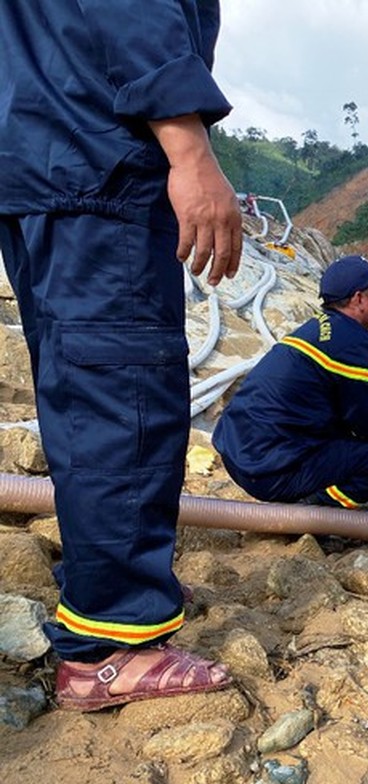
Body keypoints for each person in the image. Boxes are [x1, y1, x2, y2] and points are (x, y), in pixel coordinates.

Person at [0, 1, 240, 710]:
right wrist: (190, 150)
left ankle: (109, 585)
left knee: (79, 390)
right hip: (94, 164)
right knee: (125, 397)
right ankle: (112, 643)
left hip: (42, 155)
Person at [213, 256, 368, 510]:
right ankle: (317, 513)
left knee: (367, 450)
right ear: (359, 299)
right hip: (271, 470)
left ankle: (317, 500)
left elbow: (342, 416)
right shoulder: (353, 342)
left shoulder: (317, 329)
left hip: (242, 457)